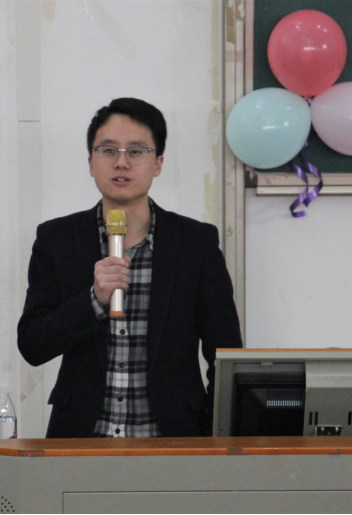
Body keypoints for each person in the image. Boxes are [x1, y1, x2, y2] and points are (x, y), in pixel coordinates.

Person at [17, 98, 242, 438]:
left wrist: (215, 434)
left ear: (158, 163)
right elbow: (33, 345)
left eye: (136, 151)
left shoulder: (195, 243)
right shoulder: (57, 239)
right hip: (81, 441)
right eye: (108, 150)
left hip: (173, 441)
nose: (121, 162)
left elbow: (225, 354)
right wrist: (94, 300)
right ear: (91, 162)